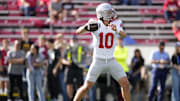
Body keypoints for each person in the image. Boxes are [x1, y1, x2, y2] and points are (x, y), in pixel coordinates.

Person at [73, 3, 130, 101]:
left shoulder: (116, 23)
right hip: (98, 61)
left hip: (111, 60)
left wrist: (117, 30)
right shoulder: (95, 24)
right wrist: (86, 27)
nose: (111, 13)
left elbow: (124, 35)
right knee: (87, 86)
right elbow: (78, 32)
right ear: (102, 14)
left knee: (125, 83)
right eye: (109, 12)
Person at [63, 35, 87, 101]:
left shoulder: (81, 48)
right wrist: (66, 62)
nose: (74, 41)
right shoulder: (68, 48)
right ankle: (70, 98)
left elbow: (84, 58)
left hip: (78, 68)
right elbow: (62, 59)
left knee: (80, 84)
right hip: (70, 68)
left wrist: (84, 69)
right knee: (69, 84)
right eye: (73, 40)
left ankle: (80, 98)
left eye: (75, 40)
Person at [54, 33, 69, 101]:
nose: (60, 39)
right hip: (58, 70)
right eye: (59, 38)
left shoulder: (65, 47)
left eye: (61, 38)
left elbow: (61, 59)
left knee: (64, 87)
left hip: (64, 70)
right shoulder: (56, 47)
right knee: (60, 87)